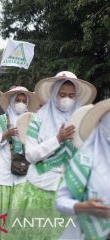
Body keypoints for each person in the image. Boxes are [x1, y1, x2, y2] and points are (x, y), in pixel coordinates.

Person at [15, 71, 97, 239]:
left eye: (71, 95)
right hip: (41, 188)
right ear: (54, 94)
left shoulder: (82, 122)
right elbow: (31, 155)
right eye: (62, 94)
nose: (67, 99)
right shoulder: (38, 119)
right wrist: (58, 139)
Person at [0, 86, 39, 240]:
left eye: (24, 100)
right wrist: (6, 134)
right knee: (0, 213)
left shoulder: (32, 121)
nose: (21, 103)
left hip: (23, 173)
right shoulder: (1, 119)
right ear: (11, 101)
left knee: (17, 212)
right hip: (2, 172)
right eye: (18, 100)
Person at [56, 99, 110, 240]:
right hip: (85, 233)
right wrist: (84, 207)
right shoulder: (85, 160)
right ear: (103, 126)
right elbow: (61, 201)